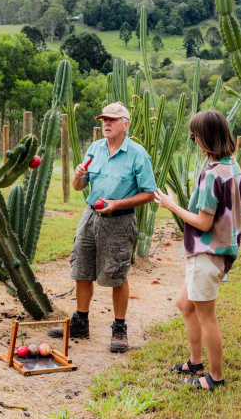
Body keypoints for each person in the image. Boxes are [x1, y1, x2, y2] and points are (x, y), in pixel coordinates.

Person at [48, 102, 157, 353]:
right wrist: (77, 176)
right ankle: (80, 323)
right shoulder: (94, 149)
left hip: (120, 221)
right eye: (104, 119)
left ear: (125, 125)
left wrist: (118, 203)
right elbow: (78, 187)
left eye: (112, 120)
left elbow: (150, 193)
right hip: (90, 217)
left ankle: (119, 328)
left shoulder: (138, 154)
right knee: (82, 269)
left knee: (117, 274)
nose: (106, 123)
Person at [154, 110, 241, 391]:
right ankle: (195, 362)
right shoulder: (233, 166)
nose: (194, 141)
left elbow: (203, 222)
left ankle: (214, 378)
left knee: (208, 318)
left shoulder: (212, 175)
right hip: (218, 251)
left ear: (206, 138)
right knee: (184, 303)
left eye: (195, 136)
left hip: (206, 253)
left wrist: (171, 204)